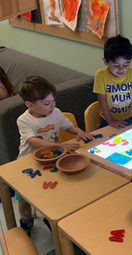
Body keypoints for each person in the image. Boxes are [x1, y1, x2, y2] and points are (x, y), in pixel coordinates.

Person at [16, 75, 94, 236]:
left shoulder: (56, 112)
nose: (52, 106)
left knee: (51, 193)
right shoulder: (23, 120)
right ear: (30, 105)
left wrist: (79, 131)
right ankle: (26, 220)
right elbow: (34, 142)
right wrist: (60, 146)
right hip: (27, 163)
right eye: (46, 104)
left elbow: (69, 127)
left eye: (53, 101)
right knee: (23, 199)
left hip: (51, 161)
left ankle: (49, 219)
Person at [93, 34, 132, 129]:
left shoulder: (131, 72)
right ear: (105, 61)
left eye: (126, 65)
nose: (121, 69)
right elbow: (102, 100)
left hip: (129, 118)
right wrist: (111, 121)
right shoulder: (101, 76)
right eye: (116, 65)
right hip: (108, 120)